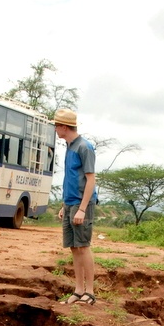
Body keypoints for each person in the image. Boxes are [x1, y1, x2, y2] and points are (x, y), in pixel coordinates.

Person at [54, 108, 97, 305]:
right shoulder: (69, 146)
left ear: (64, 127)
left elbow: (91, 179)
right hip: (70, 203)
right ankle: (78, 290)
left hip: (82, 204)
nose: (55, 129)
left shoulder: (84, 147)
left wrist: (82, 209)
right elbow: (70, 179)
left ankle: (90, 292)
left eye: (56, 125)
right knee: (73, 247)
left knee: (83, 246)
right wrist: (65, 205)